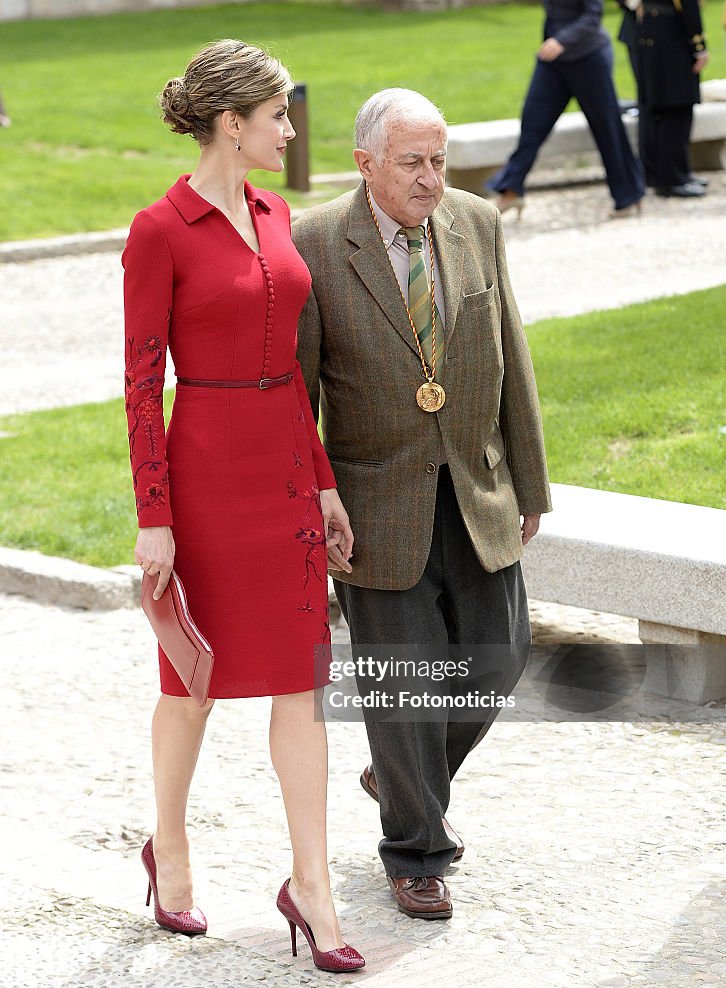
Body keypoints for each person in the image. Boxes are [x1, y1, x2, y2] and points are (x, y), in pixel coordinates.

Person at [122, 38, 363, 973]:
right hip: (204, 476)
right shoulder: (159, 230)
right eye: (278, 117)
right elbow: (143, 383)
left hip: (286, 480)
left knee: (304, 683)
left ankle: (313, 885)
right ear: (233, 123)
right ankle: (169, 850)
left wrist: (326, 480)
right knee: (193, 680)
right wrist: (156, 513)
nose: (290, 131)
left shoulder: (277, 212)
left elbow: (290, 373)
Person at [293, 89, 551, 920]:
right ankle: (416, 851)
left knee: (496, 662)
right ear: (366, 163)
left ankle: (399, 775)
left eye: (439, 161)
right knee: (404, 688)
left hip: (477, 486)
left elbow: (512, 350)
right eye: (413, 163)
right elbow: (298, 401)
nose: (431, 179)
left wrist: (531, 482)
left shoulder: (478, 222)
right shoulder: (315, 245)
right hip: (373, 506)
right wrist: (315, 499)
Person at [487, 0, 645, 218]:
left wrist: (562, 40)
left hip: (589, 57)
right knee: (532, 124)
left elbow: (593, 16)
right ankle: (512, 191)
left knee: (607, 128)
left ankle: (629, 195)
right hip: (553, 61)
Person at [632, 0, 710, 197]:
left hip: (650, 29)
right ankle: (672, 179)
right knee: (677, 108)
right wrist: (698, 45)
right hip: (672, 34)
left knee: (659, 108)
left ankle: (667, 173)